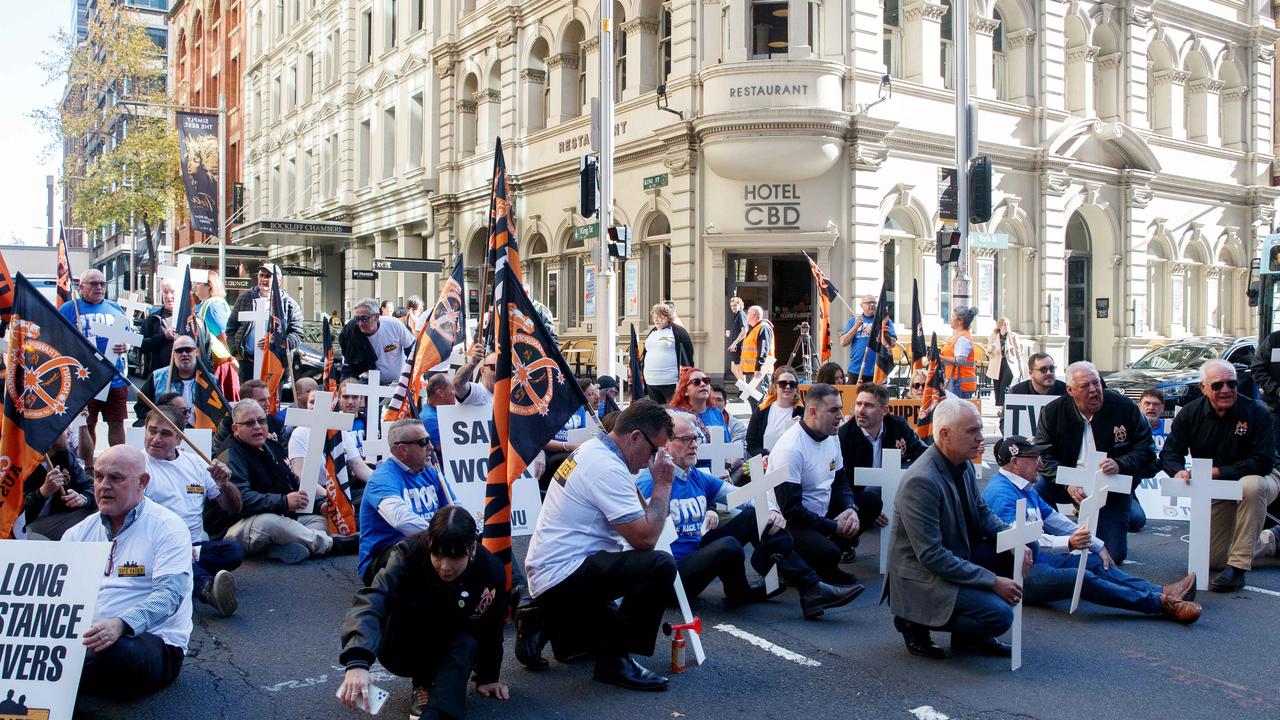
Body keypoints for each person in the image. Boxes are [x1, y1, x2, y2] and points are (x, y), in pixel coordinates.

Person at [639, 411, 862, 618]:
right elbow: (637, 536)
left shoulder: (696, 476)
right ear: (665, 444)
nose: (694, 445)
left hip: (697, 561)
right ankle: (768, 584)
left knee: (756, 516)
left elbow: (744, 496)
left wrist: (772, 511)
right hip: (669, 578)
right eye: (685, 439)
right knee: (728, 545)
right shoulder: (650, 481)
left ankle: (809, 587)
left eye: (696, 438)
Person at [519, 400, 678, 690]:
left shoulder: (597, 451)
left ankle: (542, 618)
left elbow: (642, 516)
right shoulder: (606, 467)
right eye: (654, 450)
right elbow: (645, 538)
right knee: (659, 566)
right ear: (634, 437)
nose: (652, 461)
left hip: (561, 570)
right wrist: (663, 486)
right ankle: (615, 663)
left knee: (583, 647)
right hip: (564, 573)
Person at [984, 437, 1200, 623]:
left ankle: (1161, 591)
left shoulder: (1022, 485)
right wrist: (1069, 543)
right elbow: (1019, 543)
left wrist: (1096, 543)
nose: (1040, 463)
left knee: (1093, 560)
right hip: (1017, 573)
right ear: (1015, 463)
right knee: (1081, 577)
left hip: (1037, 562)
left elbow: (1055, 519)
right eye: (1034, 458)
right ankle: (1160, 604)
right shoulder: (1002, 495)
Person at [338, 507, 509, 720]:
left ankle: (437, 711)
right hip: (401, 643)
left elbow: (492, 625)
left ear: (472, 548)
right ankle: (423, 682)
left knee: (468, 642)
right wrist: (357, 661)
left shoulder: (490, 569)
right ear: (429, 544)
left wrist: (489, 676)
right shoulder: (407, 553)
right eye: (437, 554)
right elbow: (372, 600)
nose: (445, 566)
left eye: (455, 557)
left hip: (452, 643)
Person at [887, 399, 1021, 660]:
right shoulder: (921, 481)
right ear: (945, 435)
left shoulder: (964, 462)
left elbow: (981, 510)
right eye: (972, 431)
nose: (980, 438)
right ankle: (913, 621)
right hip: (923, 577)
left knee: (1019, 547)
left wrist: (1012, 539)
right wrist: (993, 582)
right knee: (1000, 616)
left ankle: (968, 639)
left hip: (956, 554)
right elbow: (931, 556)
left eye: (980, 430)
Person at [63, 445, 193, 699]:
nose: (103, 486)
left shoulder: (168, 527)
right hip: (88, 638)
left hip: (150, 641)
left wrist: (121, 624)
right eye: (98, 476)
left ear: (143, 482)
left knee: (116, 654)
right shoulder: (77, 533)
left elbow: (169, 596)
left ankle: (66, 681)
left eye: (116, 478)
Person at [1159, 359, 1280, 592]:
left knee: (1250, 486)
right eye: (1217, 385)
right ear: (1203, 387)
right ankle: (1271, 540)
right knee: (1213, 560)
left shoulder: (1257, 412)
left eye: (1231, 384)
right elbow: (1170, 453)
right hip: (1215, 485)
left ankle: (1238, 569)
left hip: (1264, 476)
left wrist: (1219, 471)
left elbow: (1263, 462)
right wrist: (1178, 471)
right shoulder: (1190, 414)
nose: (1226, 390)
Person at [1032, 361, 1154, 565]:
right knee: (1037, 487)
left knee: (1112, 555)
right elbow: (1043, 455)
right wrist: (1066, 483)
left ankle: (1123, 511)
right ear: (1070, 390)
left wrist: (1121, 464)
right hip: (1069, 483)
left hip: (1111, 487)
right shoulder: (1053, 412)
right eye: (1085, 386)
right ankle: (1053, 538)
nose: (1094, 390)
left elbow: (1147, 448)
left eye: (1096, 383)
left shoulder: (1124, 407)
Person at [141, 406, 244, 618]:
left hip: (194, 546)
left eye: (165, 433)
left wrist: (224, 484)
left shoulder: (196, 463)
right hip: (155, 548)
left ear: (179, 439)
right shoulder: (137, 466)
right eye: (152, 431)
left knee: (233, 551)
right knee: (178, 558)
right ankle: (207, 589)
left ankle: (178, 580)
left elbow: (233, 507)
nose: (156, 439)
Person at [207, 399, 336, 562]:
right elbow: (241, 501)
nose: (257, 427)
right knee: (271, 523)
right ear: (235, 428)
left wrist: (319, 504)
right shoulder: (231, 454)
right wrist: (283, 501)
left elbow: (291, 482)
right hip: (236, 527)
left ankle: (284, 547)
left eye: (261, 421)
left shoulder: (271, 445)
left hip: (279, 515)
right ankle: (334, 545)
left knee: (319, 519)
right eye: (249, 423)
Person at [770, 384, 862, 585]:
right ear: (812, 412)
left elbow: (840, 482)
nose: (841, 415)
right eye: (833, 410)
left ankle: (822, 560)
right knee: (828, 553)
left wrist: (850, 508)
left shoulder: (831, 436)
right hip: (792, 523)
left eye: (840, 408)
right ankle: (810, 565)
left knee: (869, 504)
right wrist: (834, 526)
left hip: (822, 512)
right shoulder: (791, 449)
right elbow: (791, 511)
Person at [357, 419, 453, 584]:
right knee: (415, 547)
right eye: (423, 442)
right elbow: (401, 520)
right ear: (402, 450)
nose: (430, 446)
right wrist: (447, 537)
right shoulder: (382, 478)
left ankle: (513, 588)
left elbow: (454, 507)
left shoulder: (430, 471)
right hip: (385, 560)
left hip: (430, 544)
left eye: (429, 440)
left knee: (487, 540)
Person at [841, 383, 928, 554]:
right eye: (858, 404)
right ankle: (847, 542)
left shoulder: (898, 426)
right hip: (858, 495)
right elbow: (841, 483)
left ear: (884, 410)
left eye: (869, 405)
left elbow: (922, 454)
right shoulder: (844, 436)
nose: (861, 410)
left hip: (892, 490)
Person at [60, 268, 129, 447]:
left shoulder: (114, 308)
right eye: (94, 283)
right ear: (81, 287)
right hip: (85, 378)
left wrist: (125, 346)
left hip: (114, 377)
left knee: (116, 421)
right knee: (87, 424)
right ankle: (89, 467)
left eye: (102, 283)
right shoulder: (69, 308)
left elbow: (128, 337)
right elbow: (57, 337)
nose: (99, 287)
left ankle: (118, 460)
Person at [287, 390, 374, 522]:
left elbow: (359, 467)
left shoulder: (341, 431)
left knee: (374, 496)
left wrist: (382, 483)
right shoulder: (299, 433)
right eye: (312, 402)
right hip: (315, 494)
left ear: (332, 406)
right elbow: (300, 475)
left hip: (342, 491)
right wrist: (334, 498)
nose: (316, 406)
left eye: (322, 403)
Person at [226, 263, 304, 383]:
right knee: (248, 400)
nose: (264, 279)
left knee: (270, 400)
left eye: (268, 276)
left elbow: (297, 334)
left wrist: (277, 342)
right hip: (248, 363)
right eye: (261, 275)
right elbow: (231, 328)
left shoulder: (289, 305)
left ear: (279, 280)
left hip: (276, 363)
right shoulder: (245, 299)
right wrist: (236, 352)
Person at [23, 425, 95, 540]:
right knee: (36, 540)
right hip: (26, 526)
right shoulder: (18, 461)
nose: (70, 431)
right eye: (65, 427)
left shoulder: (65, 455)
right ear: (48, 434)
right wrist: (42, 493)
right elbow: (11, 512)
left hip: (56, 521)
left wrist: (83, 499)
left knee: (102, 511)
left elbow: (92, 487)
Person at [341, 298, 416, 382]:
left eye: (364, 319)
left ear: (376, 317)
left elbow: (412, 350)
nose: (360, 323)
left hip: (397, 381)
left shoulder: (393, 325)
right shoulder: (353, 332)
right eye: (357, 319)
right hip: (368, 381)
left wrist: (411, 376)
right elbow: (349, 363)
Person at [134, 334, 202, 427]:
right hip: (165, 432)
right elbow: (141, 407)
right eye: (179, 350)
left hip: (200, 433)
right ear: (173, 354)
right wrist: (162, 419)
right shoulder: (157, 377)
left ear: (196, 352)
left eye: (188, 349)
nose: (184, 354)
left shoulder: (209, 381)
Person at [212, 379, 287, 457]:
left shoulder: (276, 423)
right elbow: (219, 454)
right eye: (262, 400)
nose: (268, 404)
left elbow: (284, 455)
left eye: (261, 422)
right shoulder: (228, 423)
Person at [744, 367, 802, 457]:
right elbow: (751, 444)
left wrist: (804, 426)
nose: (788, 387)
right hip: (766, 464)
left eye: (792, 384)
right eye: (783, 383)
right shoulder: (761, 411)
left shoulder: (803, 412)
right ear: (775, 386)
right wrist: (766, 456)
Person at [642, 302, 694, 403]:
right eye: (654, 317)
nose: (656, 320)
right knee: (658, 413)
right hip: (651, 381)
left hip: (670, 382)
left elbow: (688, 353)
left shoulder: (677, 331)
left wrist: (685, 377)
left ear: (667, 317)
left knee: (675, 411)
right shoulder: (652, 332)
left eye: (660, 317)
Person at [841, 294, 895, 383]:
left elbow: (893, 343)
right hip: (856, 369)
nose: (872, 305)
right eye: (868, 303)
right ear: (861, 305)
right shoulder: (854, 321)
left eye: (874, 302)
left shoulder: (884, 321)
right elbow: (843, 342)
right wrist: (856, 326)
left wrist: (876, 334)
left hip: (878, 370)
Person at [139, 278, 177, 379]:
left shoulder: (191, 318)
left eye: (173, 292)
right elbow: (141, 346)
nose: (169, 296)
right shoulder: (153, 319)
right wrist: (163, 337)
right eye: (165, 292)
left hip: (187, 377)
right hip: (161, 378)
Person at [939, 307, 979, 399]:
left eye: (953, 316)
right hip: (955, 381)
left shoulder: (963, 338)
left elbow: (960, 360)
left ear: (960, 320)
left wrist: (941, 357)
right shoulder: (958, 336)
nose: (951, 319)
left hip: (960, 384)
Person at [985, 318, 1023, 413]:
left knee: (1005, 385)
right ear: (1000, 326)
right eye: (1005, 325)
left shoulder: (1013, 336)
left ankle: (1002, 407)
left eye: (1008, 325)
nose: (1007, 327)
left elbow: (1018, 353)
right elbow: (987, 351)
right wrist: (991, 348)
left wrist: (1020, 368)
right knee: (997, 385)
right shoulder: (994, 336)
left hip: (1009, 363)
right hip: (996, 363)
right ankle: (999, 407)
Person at [419, 374, 457, 459]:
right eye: (454, 389)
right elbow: (451, 451)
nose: (458, 393)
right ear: (440, 393)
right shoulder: (430, 419)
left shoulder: (434, 413)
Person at [740, 305, 775, 392]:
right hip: (750, 370)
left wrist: (758, 367)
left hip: (759, 371)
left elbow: (763, 349)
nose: (746, 315)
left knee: (761, 399)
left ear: (754, 314)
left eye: (748, 313)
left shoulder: (763, 327)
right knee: (753, 399)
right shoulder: (754, 328)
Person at [726, 296, 748, 376]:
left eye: (735, 305)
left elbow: (744, 331)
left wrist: (734, 343)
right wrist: (731, 334)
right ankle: (742, 387)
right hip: (736, 345)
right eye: (732, 306)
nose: (733, 307)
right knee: (734, 368)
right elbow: (739, 330)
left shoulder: (741, 315)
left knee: (738, 369)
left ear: (740, 305)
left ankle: (744, 388)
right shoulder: (737, 315)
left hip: (739, 346)